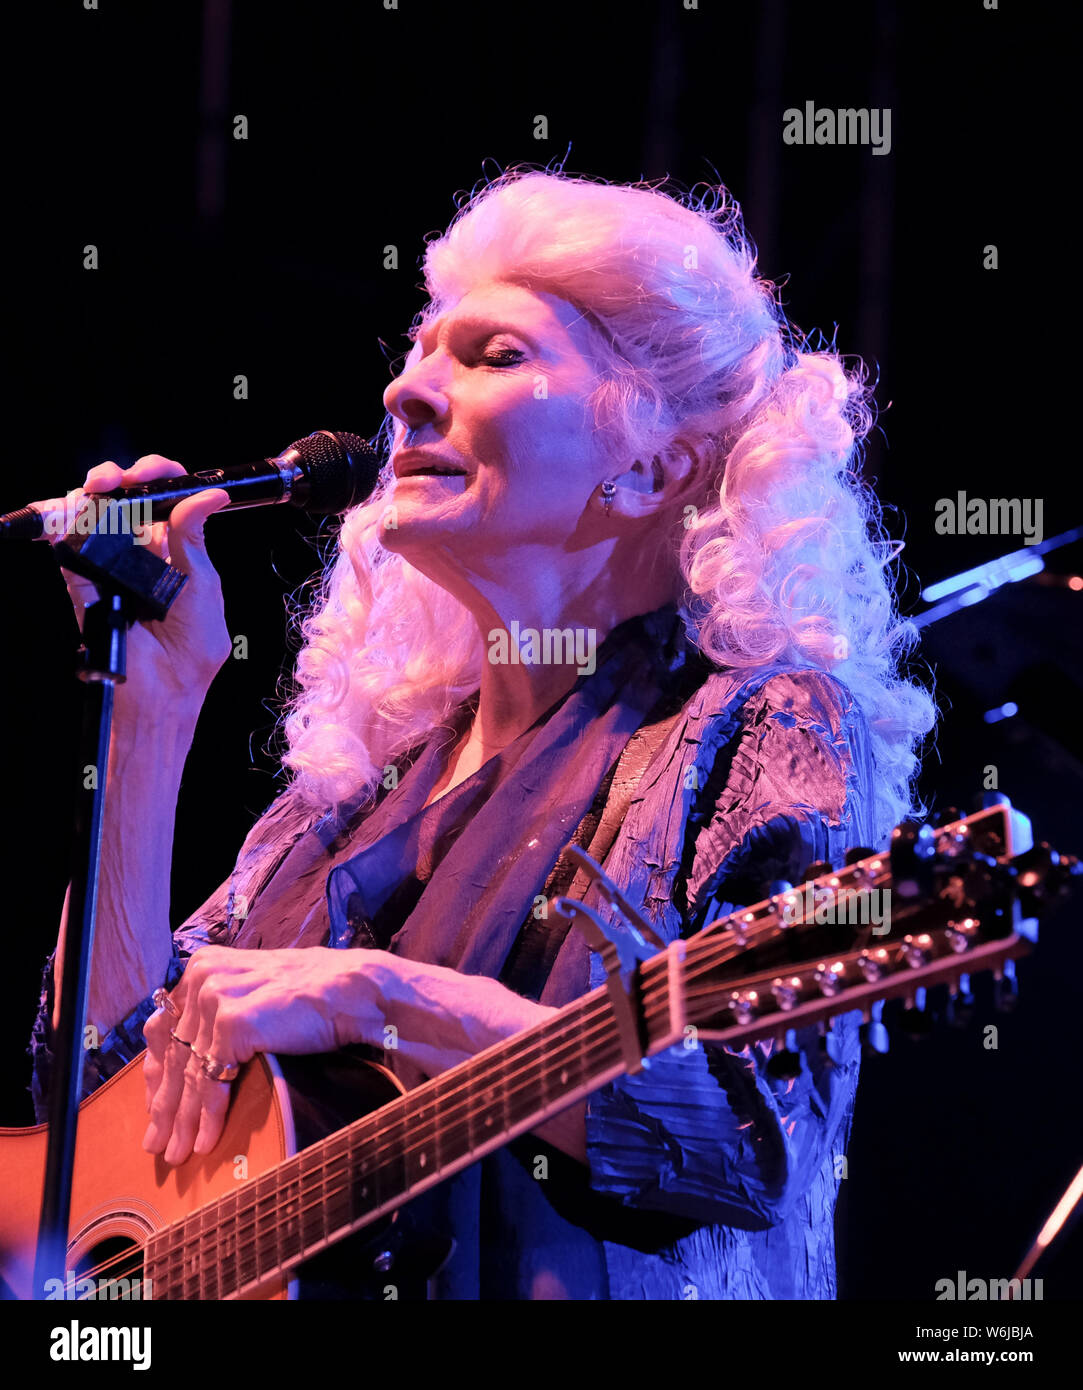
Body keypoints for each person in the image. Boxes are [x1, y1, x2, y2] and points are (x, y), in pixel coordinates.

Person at [30, 168, 935, 1300]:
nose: (407, 393)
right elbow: (99, 1119)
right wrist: (156, 709)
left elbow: (749, 1135)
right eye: (418, 350)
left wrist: (386, 999)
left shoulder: (764, 726)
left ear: (655, 462)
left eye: (492, 355)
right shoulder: (363, 791)